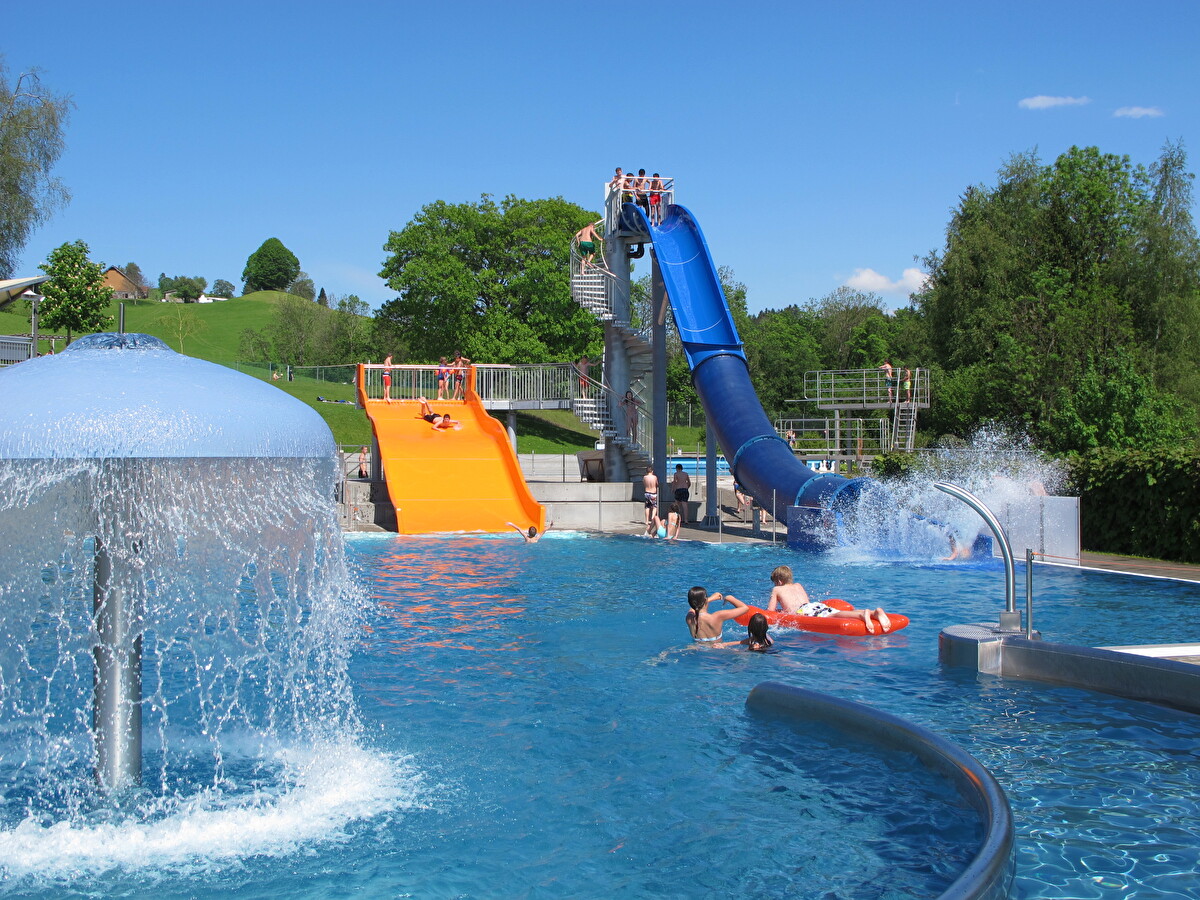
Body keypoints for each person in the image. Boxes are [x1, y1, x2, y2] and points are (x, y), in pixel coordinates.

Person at [767, 565, 892, 634]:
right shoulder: (798, 585)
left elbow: (770, 612)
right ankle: (873, 613)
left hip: (804, 611)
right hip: (813, 606)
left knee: (833, 616)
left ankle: (861, 615)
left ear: (779, 581)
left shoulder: (777, 589)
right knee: (834, 613)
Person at [642, 465, 659, 533]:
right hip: (653, 493)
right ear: (652, 471)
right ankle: (652, 519)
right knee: (654, 507)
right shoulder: (654, 477)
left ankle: (646, 521)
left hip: (647, 493)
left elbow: (644, 484)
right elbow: (656, 484)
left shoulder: (644, 477)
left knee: (647, 507)